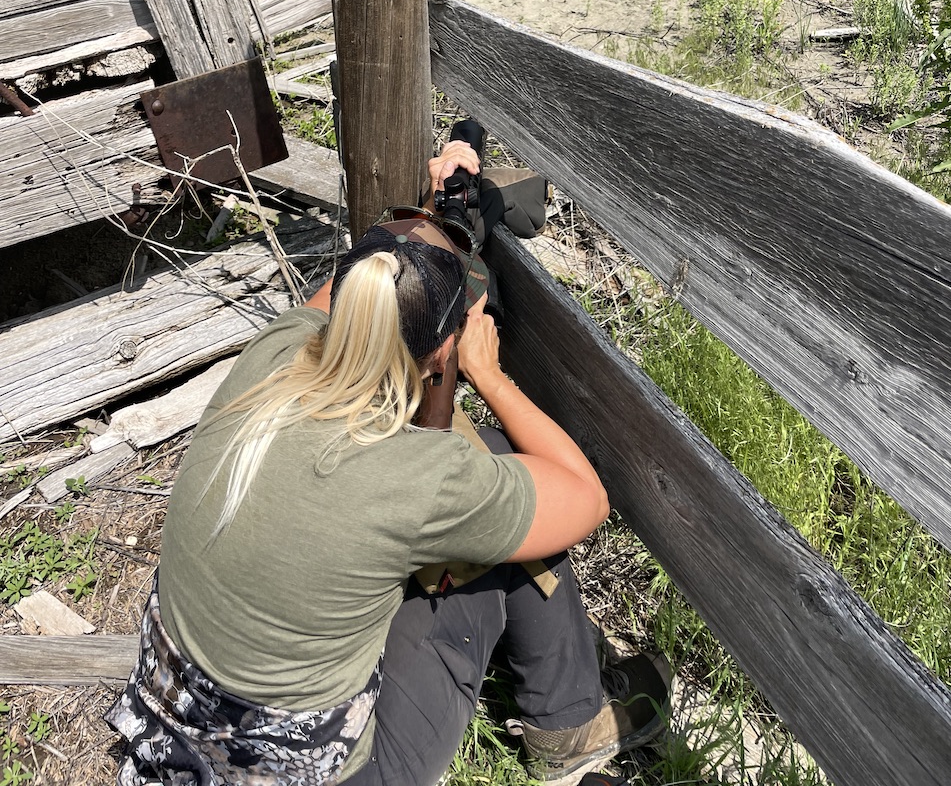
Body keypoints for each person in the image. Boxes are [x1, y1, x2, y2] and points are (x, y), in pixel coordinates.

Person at [106, 141, 670, 786]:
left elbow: (361, 279)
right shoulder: (414, 480)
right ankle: (570, 726)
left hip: (178, 741)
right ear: (442, 353)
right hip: (331, 773)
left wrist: (438, 218)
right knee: (507, 472)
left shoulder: (270, 360)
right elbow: (583, 498)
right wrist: (487, 374)